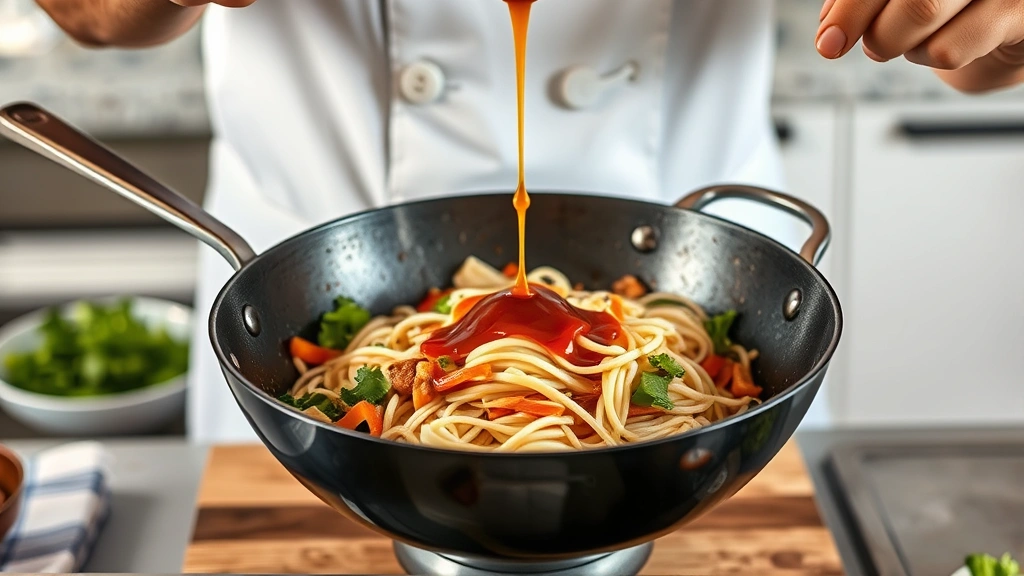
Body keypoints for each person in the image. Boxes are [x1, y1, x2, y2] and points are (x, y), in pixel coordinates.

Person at [35, 0, 1024, 443]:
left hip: (700, 268)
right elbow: (84, 11)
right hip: (317, 248)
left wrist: (978, 25)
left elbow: (976, 42)